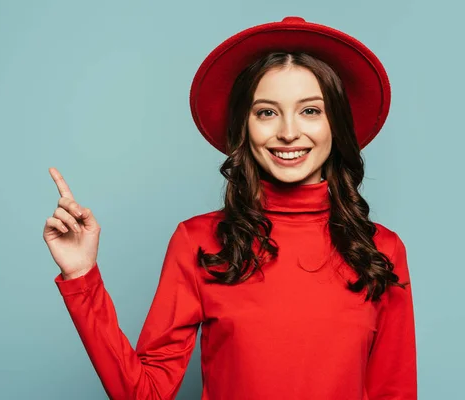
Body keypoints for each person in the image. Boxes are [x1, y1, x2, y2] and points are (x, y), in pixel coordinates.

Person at [43, 16, 417, 400]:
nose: (288, 132)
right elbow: (145, 394)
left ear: (335, 124)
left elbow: (396, 391)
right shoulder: (197, 241)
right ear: (244, 127)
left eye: (310, 110)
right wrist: (81, 276)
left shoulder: (381, 251)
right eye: (266, 112)